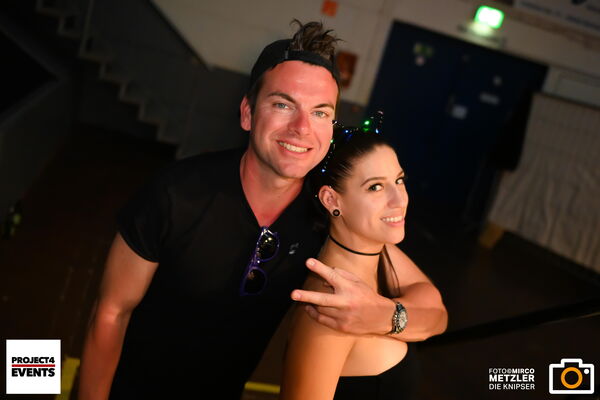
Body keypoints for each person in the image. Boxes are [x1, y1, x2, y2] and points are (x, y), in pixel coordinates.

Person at [78, 20, 446, 400]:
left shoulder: (325, 210)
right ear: (248, 113)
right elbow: (110, 314)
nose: (302, 127)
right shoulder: (177, 194)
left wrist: (385, 316)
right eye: (283, 105)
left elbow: (434, 311)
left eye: (320, 112)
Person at [280, 118, 445, 400]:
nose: (399, 200)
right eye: (375, 187)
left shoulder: (380, 252)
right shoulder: (329, 306)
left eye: (399, 180)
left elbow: (438, 315)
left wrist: (383, 316)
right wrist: (400, 316)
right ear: (332, 200)